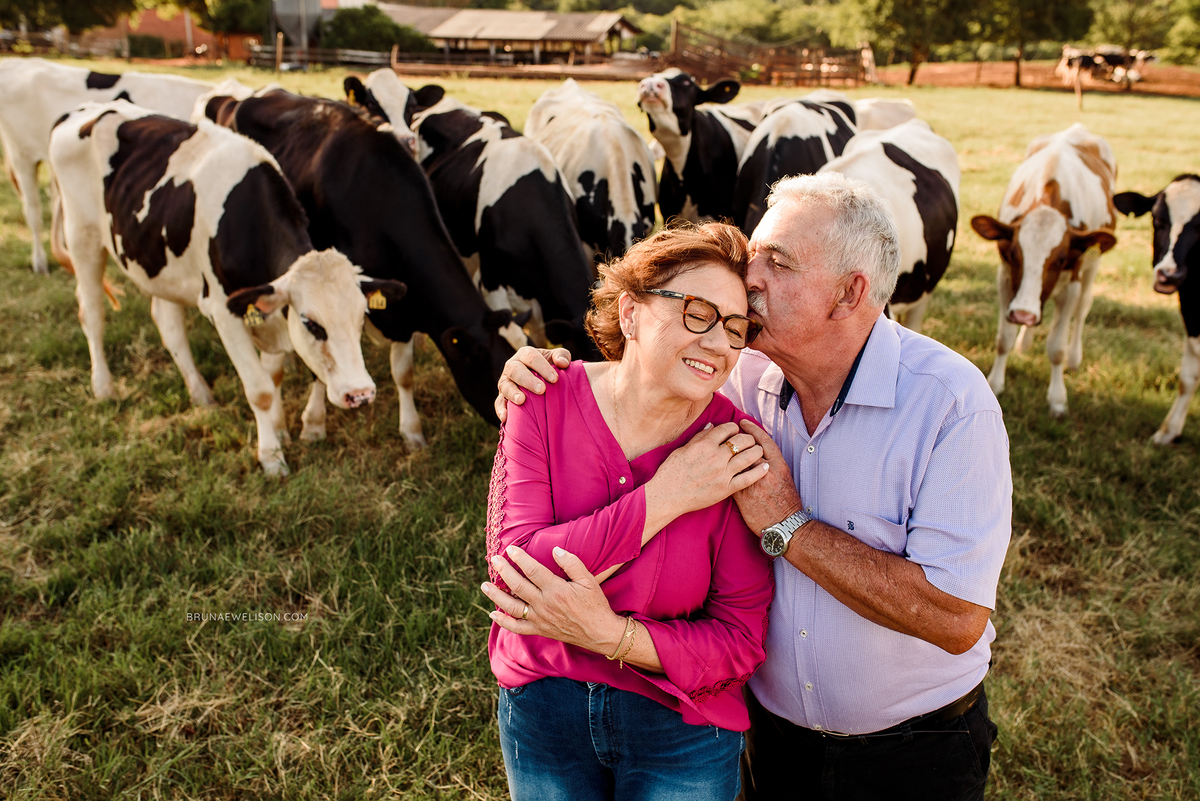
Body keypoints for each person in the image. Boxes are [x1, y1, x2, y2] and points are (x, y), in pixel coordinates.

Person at [496, 173, 1013, 801]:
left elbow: (956, 618)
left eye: (779, 262)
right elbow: (657, 364)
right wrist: (540, 376)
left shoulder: (949, 402)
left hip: (913, 753)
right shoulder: (742, 381)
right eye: (755, 254)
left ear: (849, 294)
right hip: (773, 744)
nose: (752, 276)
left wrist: (788, 526)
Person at [480, 222, 775, 801]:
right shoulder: (541, 397)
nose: (719, 343)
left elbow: (739, 640)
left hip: (681, 724)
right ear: (632, 312)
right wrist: (668, 497)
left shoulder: (735, 446)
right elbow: (515, 572)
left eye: (736, 328)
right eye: (697, 312)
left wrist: (612, 636)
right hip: (544, 702)